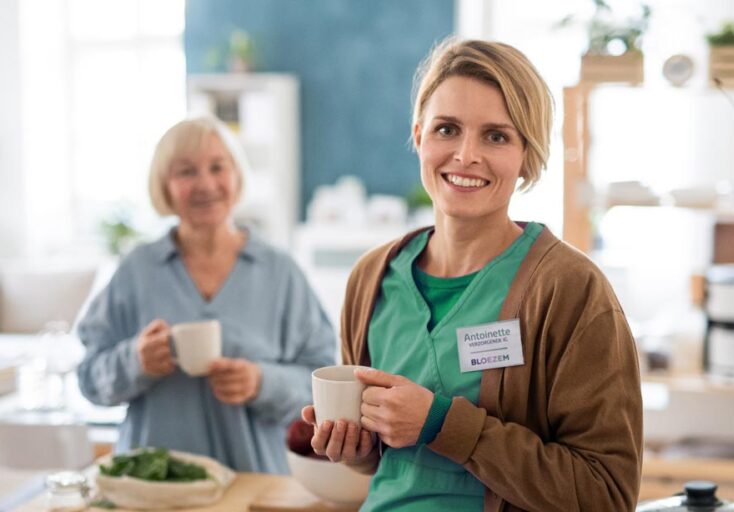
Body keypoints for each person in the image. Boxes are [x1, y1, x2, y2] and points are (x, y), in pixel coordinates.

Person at [302, 38, 643, 511]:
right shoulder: (371, 278)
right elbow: (386, 465)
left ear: (527, 156)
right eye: (447, 129)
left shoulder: (570, 290)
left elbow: (606, 494)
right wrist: (356, 446)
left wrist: (444, 425)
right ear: (419, 135)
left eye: (496, 136)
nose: (465, 155)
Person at [77, 116, 336, 473]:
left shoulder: (280, 272)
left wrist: (262, 382)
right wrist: (134, 362)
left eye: (218, 167)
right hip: (150, 485)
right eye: (186, 172)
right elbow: (89, 378)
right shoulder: (136, 270)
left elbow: (323, 384)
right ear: (165, 186)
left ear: (237, 176)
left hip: (253, 482)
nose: (206, 184)